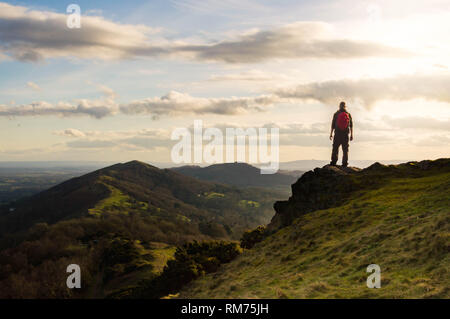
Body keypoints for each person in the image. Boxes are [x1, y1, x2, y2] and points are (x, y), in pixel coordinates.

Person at [329, 101, 353, 167]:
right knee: (345, 149)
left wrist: (331, 134)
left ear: (339, 106)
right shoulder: (348, 114)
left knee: (335, 148)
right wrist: (351, 135)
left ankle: (333, 162)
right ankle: (344, 163)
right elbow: (351, 125)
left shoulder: (336, 114)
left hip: (337, 134)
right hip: (345, 134)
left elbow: (333, 125)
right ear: (345, 106)